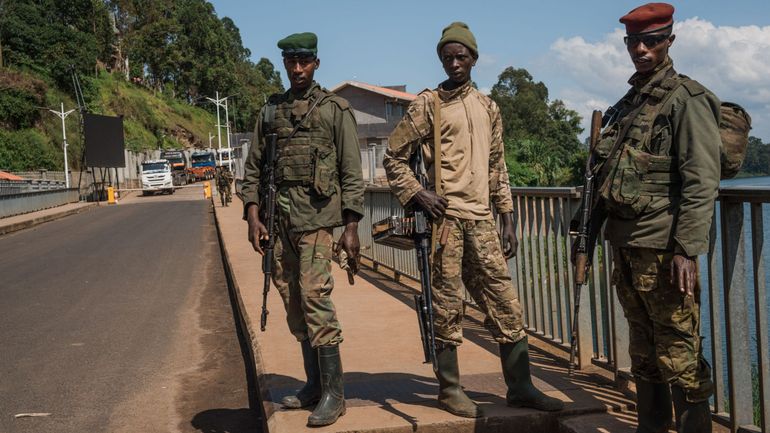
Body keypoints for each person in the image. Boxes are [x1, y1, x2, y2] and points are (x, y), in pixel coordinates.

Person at [383, 22, 563, 418]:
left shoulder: (488, 107)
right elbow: (393, 157)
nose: (454, 63)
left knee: (506, 305)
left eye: (460, 56)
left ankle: (521, 387)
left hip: (482, 223)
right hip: (446, 223)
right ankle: (449, 390)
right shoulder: (428, 105)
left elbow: (498, 166)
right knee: (447, 309)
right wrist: (418, 194)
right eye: (447, 57)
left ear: (474, 58)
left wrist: (509, 218)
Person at [580, 4, 719, 432]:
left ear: (669, 41)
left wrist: (686, 249)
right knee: (643, 349)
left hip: (663, 250)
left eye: (651, 41)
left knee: (678, 352)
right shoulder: (629, 103)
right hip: (625, 245)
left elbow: (701, 182)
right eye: (633, 42)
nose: (641, 49)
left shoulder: (686, 99)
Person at [240, 32, 365, 427]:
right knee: (293, 303)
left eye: (304, 62)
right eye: (291, 62)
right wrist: (253, 215)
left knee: (315, 299)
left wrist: (351, 229)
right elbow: (253, 170)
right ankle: (313, 384)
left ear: (316, 64)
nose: (297, 69)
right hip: (280, 225)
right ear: (284, 64)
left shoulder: (334, 110)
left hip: (317, 223)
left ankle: (335, 393)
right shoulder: (269, 112)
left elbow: (351, 174)